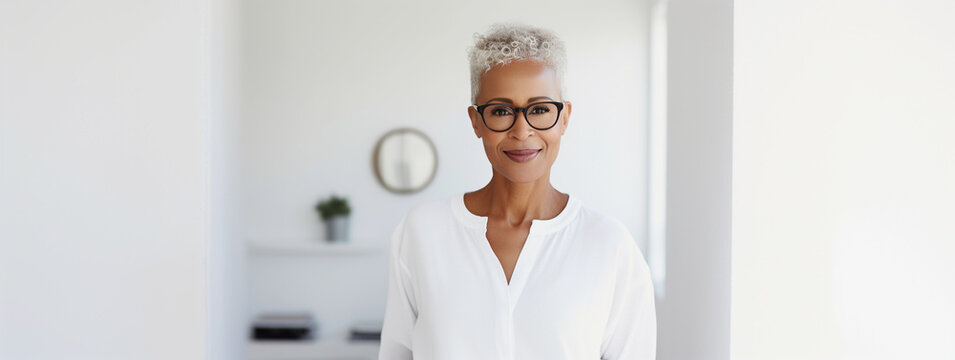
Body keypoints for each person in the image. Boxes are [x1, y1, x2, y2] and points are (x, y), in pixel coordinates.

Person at [378, 22, 656, 360]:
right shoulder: (422, 232)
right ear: (476, 121)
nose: (521, 131)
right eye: (500, 111)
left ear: (564, 117)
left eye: (539, 109)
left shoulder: (610, 246)